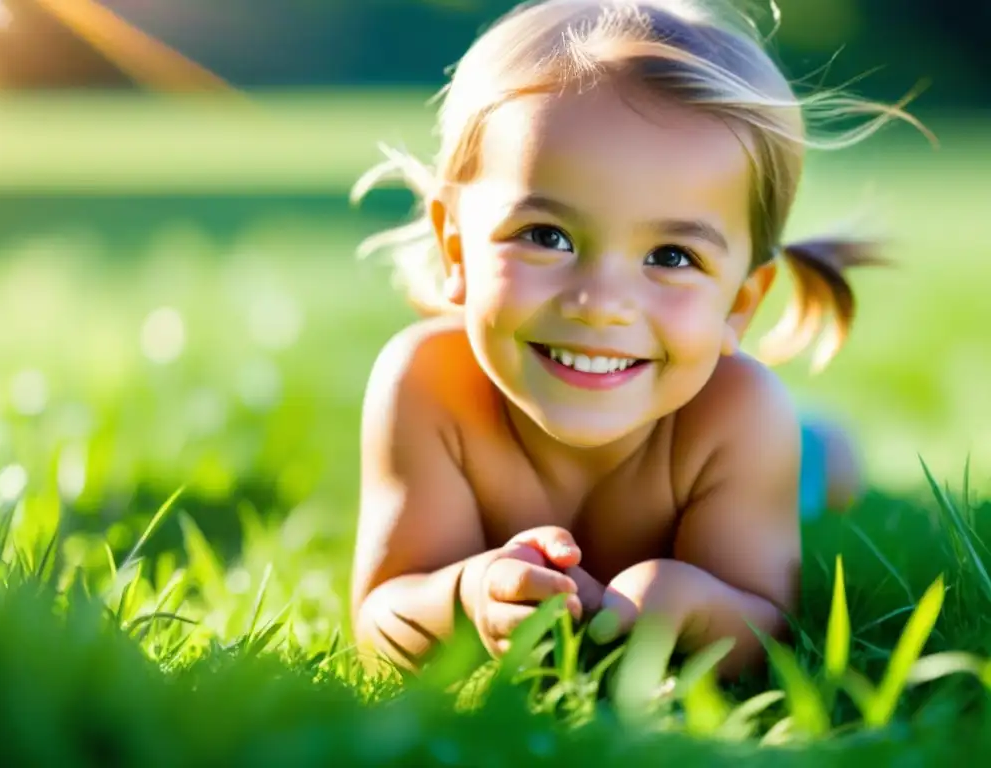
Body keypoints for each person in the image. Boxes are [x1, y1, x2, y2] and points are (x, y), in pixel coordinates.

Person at [348, 0, 924, 680]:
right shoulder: (428, 387)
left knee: (822, 463)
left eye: (672, 257)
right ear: (457, 251)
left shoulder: (738, 418)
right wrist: (467, 595)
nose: (599, 307)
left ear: (739, 303)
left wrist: (689, 606)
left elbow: (769, 626)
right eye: (546, 237)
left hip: (763, 461)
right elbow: (382, 613)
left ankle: (824, 446)